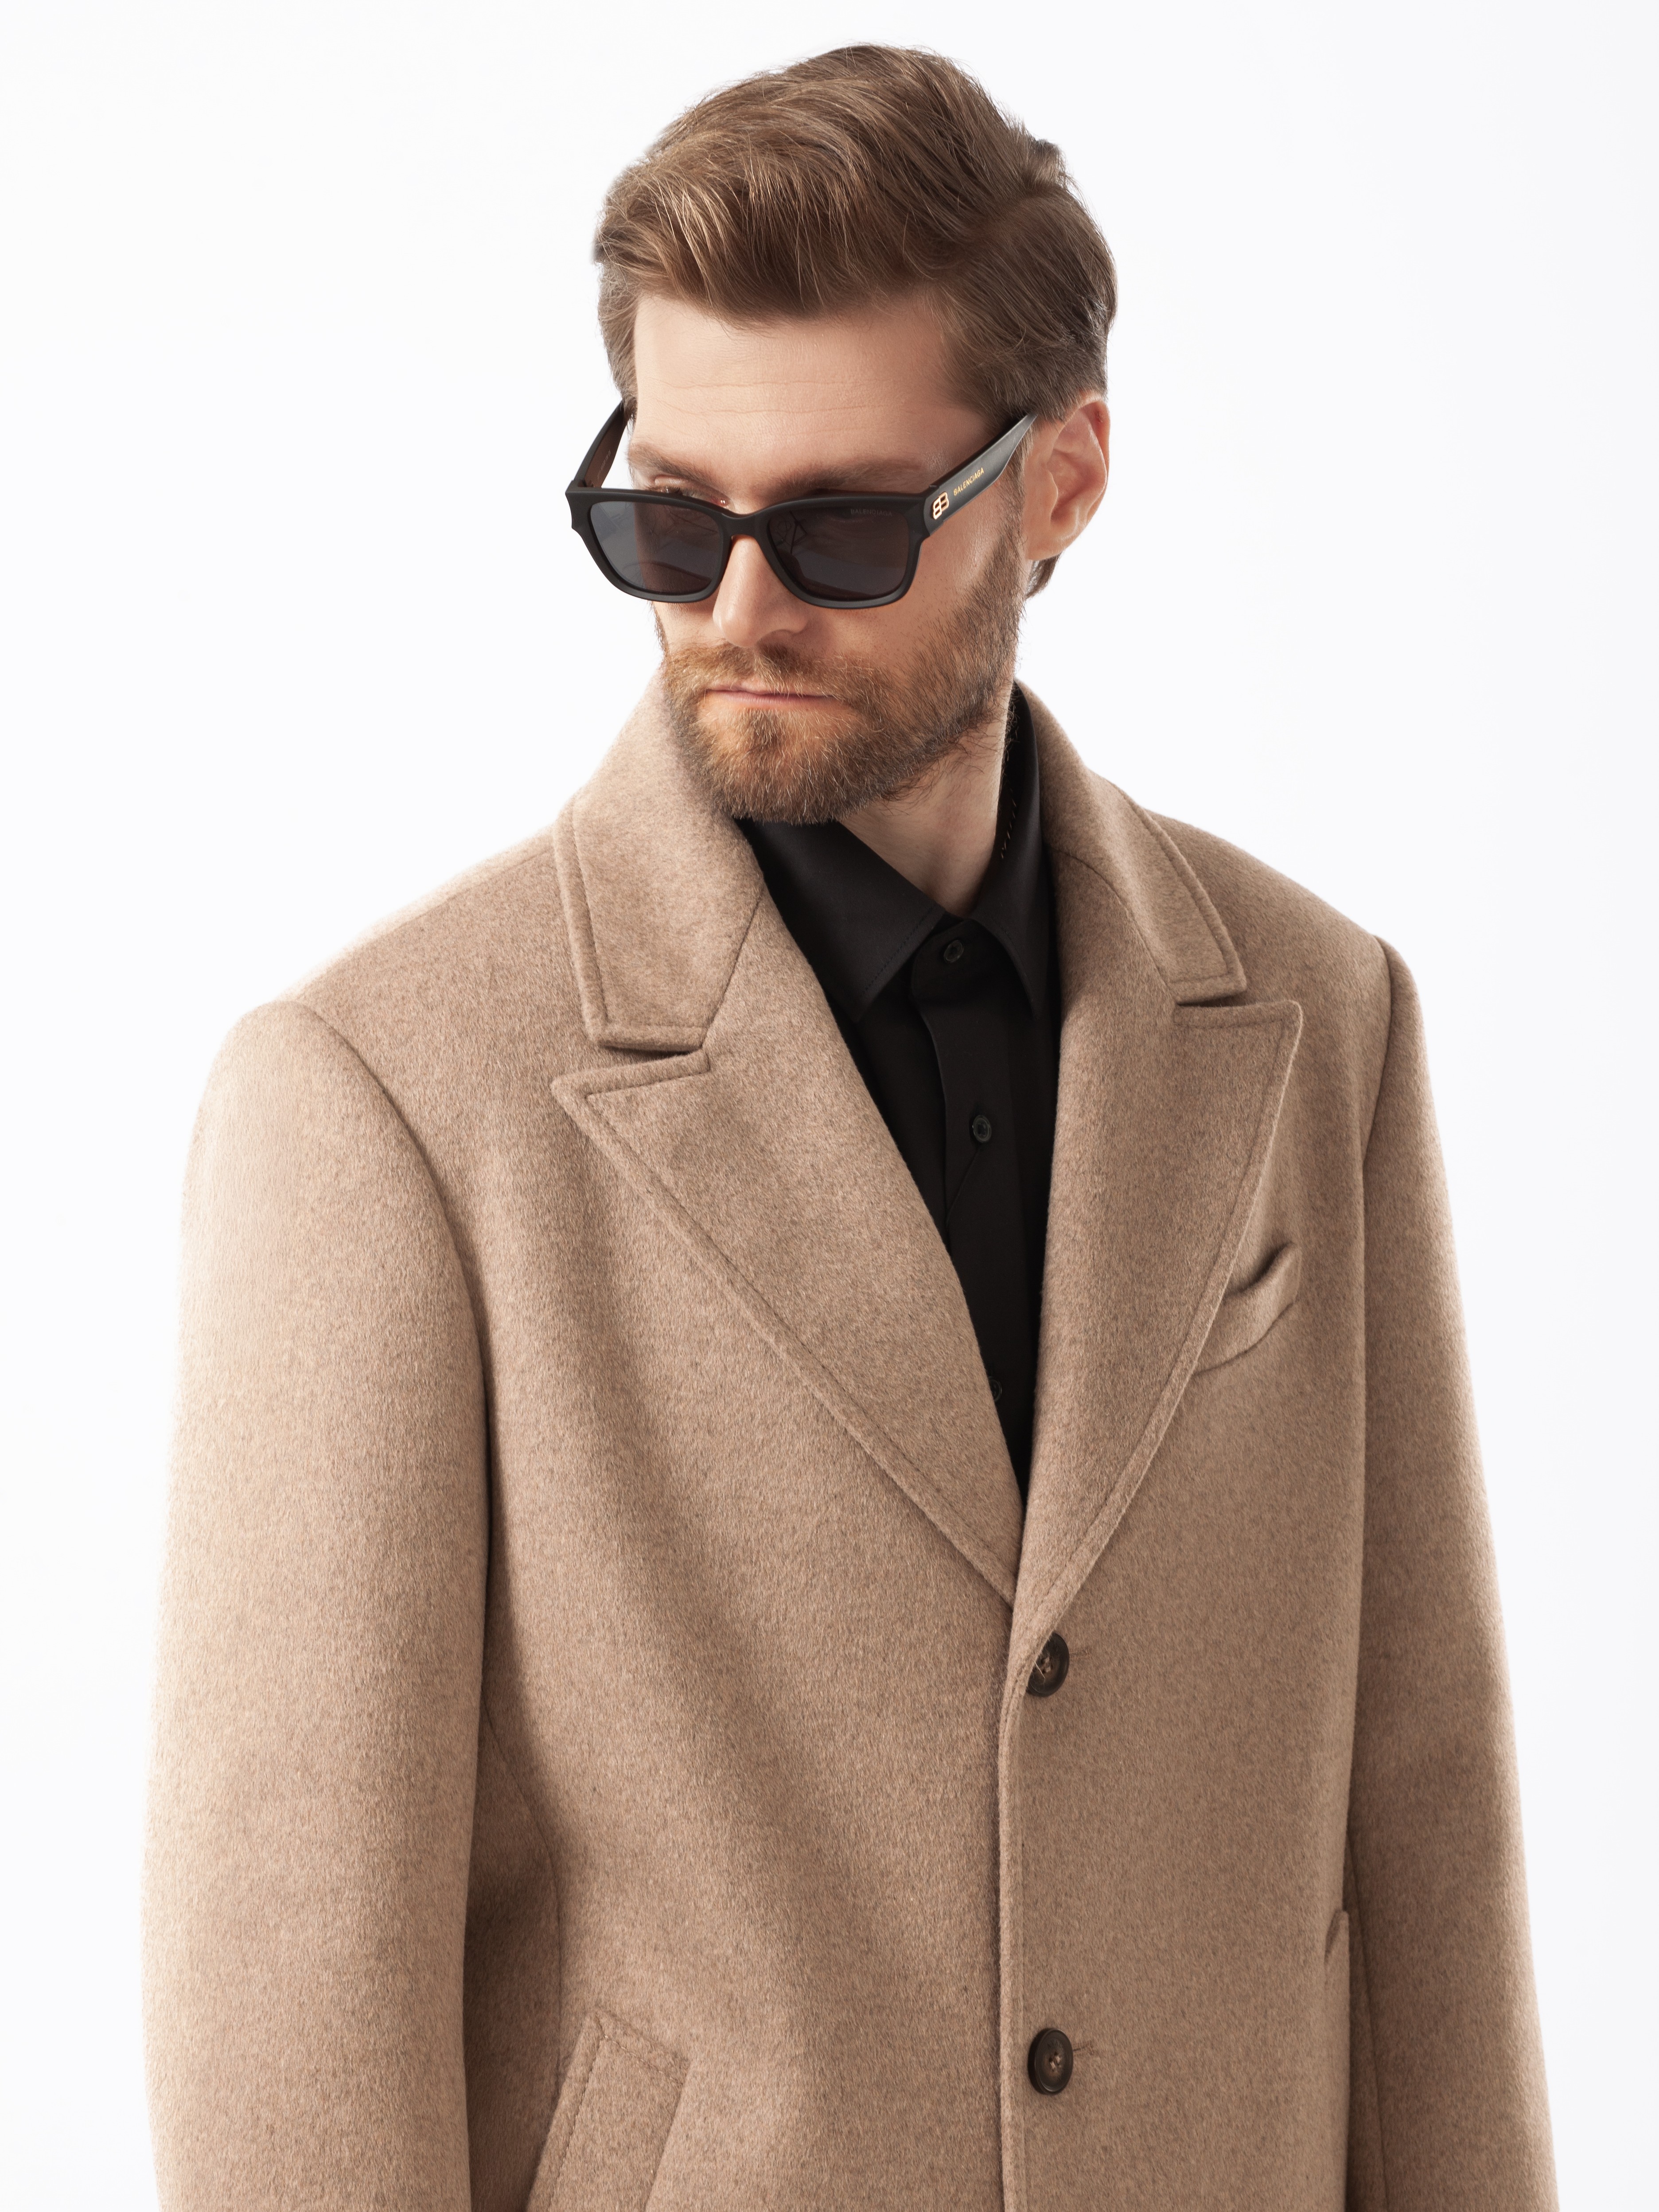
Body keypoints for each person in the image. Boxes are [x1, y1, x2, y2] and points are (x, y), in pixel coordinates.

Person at [142, 45, 1557, 2212]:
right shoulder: (381, 1105)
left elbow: (1425, 1812)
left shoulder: (1318, 1021)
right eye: (667, 519)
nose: (736, 611)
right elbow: (294, 1997)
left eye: (840, 528)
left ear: (1061, 481)